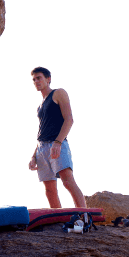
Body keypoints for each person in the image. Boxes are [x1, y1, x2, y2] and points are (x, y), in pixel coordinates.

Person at [28, 67, 86, 208]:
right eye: (34, 79)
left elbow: (69, 119)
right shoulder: (39, 107)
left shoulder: (58, 93)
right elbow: (42, 131)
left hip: (57, 144)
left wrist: (58, 142)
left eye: (39, 78)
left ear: (48, 79)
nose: (36, 81)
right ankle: (57, 221)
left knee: (67, 181)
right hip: (42, 148)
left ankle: (84, 216)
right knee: (49, 190)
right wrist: (33, 156)